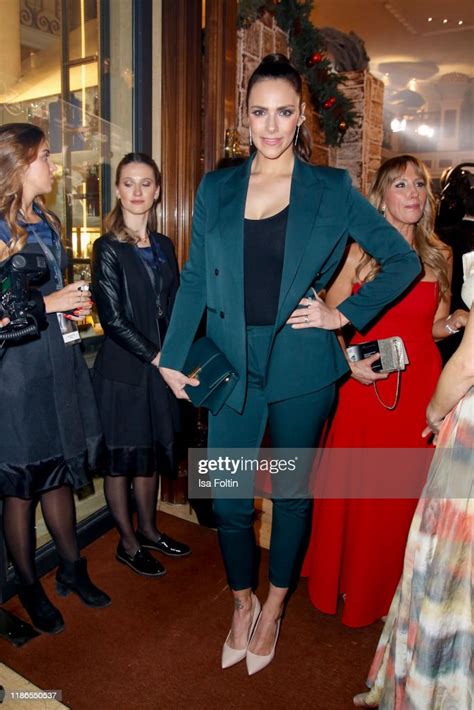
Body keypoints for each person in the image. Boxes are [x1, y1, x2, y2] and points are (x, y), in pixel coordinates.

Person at [158, 54, 421, 675]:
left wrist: (342, 316)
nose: (271, 126)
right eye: (259, 113)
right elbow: (195, 276)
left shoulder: (331, 189)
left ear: (301, 115)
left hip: (302, 367)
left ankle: (275, 607)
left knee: (294, 495)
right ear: (245, 118)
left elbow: (400, 262)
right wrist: (171, 355)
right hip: (229, 361)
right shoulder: (217, 187)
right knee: (226, 499)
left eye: (283, 112)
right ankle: (242, 600)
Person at [302, 155, 469, 628]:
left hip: (420, 388)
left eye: (419, 184)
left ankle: (393, 591)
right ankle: (353, 585)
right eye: (401, 184)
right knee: (364, 491)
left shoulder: (440, 253)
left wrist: (455, 321)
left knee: (403, 497)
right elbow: (328, 321)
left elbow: (429, 327)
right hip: (365, 387)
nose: (413, 192)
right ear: (382, 196)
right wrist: (349, 365)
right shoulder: (357, 252)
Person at [0, 123, 110, 635]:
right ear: (20, 166)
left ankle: (72, 568)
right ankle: (28, 586)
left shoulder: (45, 218)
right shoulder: (0, 229)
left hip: (56, 358)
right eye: (45, 156)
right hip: (16, 374)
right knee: (22, 484)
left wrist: (72, 304)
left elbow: (54, 291)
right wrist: (50, 303)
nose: (54, 165)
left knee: (60, 468)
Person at [353, 255, 474, 709]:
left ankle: (433, 680)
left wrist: (434, 412)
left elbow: (465, 362)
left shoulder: (439, 254)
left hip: (452, 403)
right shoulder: (360, 255)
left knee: (445, 553)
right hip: (373, 380)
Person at [91, 152, 190, 578]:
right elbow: (112, 319)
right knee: (123, 461)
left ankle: (149, 530)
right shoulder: (106, 247)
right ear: (117, 190)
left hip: (161, 369)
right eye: (128, 183)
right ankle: (127, 544)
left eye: (145, 183)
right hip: (124, 372)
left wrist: (183, 353)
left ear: (157, 191)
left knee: (148, 456)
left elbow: (177, 305)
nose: (136, 192)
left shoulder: (165, 244)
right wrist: (160, 357)